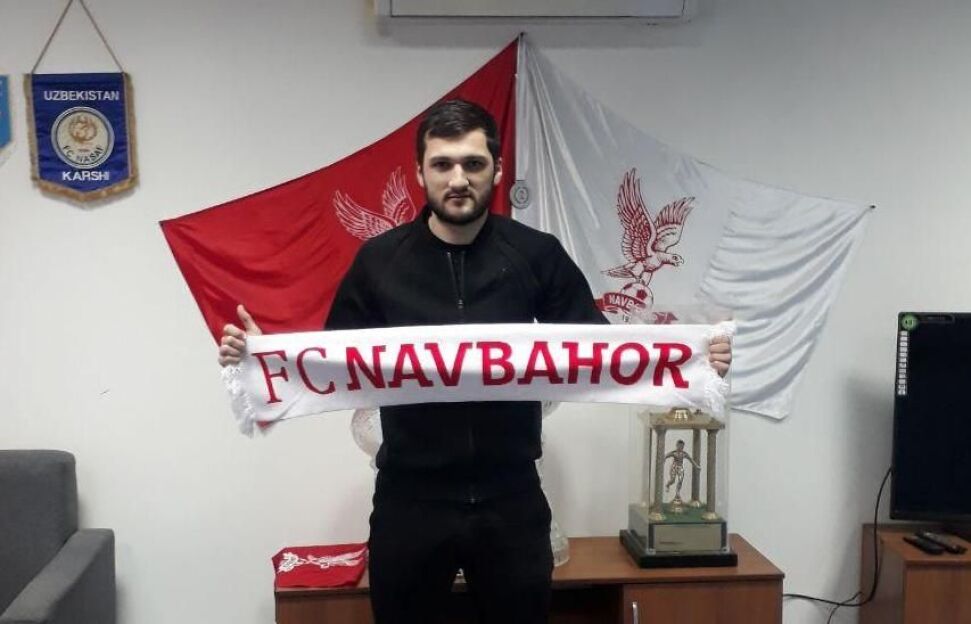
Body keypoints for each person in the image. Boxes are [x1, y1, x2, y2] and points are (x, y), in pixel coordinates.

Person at [218, 99, 732, 624]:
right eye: (442, 164)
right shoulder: (379, 262)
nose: (458, 179)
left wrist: (693, 363)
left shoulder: (536, 254)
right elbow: (331, 362)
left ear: (497, 169)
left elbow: (602, 352)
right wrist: (264, 361)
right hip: (409, 501)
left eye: (473, 163)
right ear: (420, 172)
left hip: (510, 498)